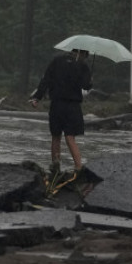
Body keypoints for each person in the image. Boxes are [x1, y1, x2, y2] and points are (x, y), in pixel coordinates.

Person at [29, 48, 93, 177]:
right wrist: (90, 80)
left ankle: (55, 167)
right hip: (73, 106)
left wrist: (37, 97)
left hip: (57, 104)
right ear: (82, 53)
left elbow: (46, 79)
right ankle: (78, 167)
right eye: (85, 56)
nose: (85, 58)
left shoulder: (57, 61)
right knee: (70, 137)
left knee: (56, 136)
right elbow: (86, 86)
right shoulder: (83, 66)